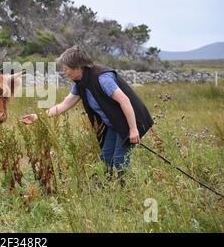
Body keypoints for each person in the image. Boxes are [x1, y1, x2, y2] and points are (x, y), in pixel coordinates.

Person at [21, 46, 153, 178]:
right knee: (106, 157)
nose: (64, 72)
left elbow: (124, 101)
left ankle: (127, 191)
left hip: (130, 121)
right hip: (114, 124)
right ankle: (105, 189)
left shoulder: (103, 78)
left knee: (120, 160)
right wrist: (37, 117)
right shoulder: (80, 84)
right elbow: (64, 105)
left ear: (78, 67)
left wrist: (133, 129)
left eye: (66, 68)